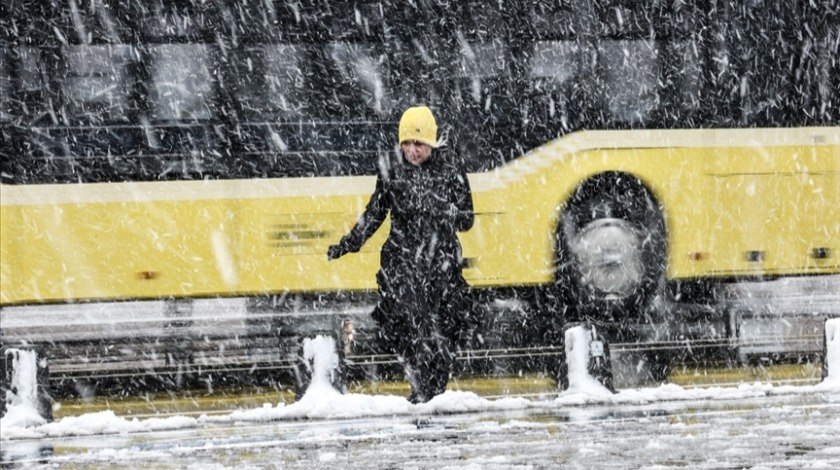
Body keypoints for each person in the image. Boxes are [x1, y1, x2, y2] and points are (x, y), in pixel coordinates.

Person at [327, 106, 475, 403]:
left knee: (443, 330)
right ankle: (422, 390)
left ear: (432, 143)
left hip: (440, 264)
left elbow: (467, 219)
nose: (411, 150)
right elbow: (375, 211)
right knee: (412, 328)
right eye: (406, 143)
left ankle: (434, 393)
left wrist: (447, 212)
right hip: (403, 262)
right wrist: (349, 243)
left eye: (418, 144)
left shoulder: (451, 167)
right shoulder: (391, 167)